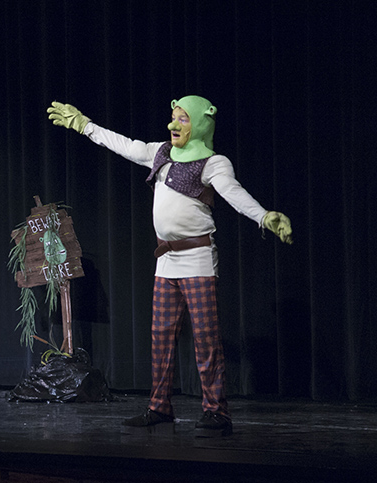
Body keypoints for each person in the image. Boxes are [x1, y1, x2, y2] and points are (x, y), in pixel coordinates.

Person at [47, 96, 292, 437]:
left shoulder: (213, 163)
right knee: (161, 338)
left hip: (198, 260)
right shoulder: (161, 153)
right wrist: (85, 125)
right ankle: (159, 406)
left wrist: (263, 216)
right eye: (173, 117)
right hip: (167, 261)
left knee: (205, 340)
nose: (173, 125)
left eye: (183, 119)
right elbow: (126, 146)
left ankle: (216, 411)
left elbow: (233, 193)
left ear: (201, 124)